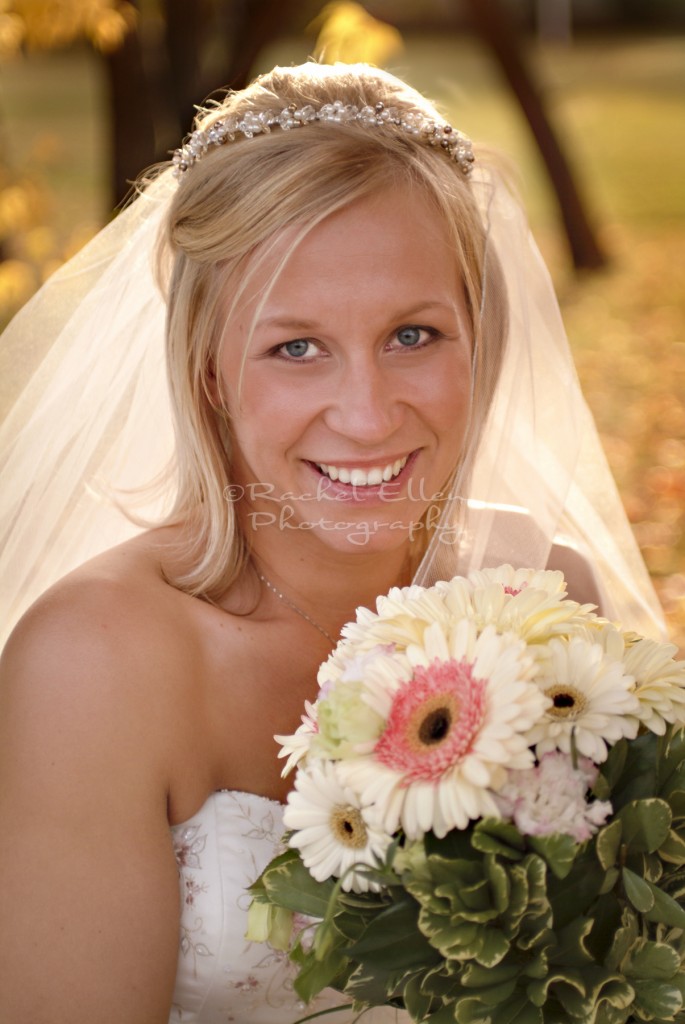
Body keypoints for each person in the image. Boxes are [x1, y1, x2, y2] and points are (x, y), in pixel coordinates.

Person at [0, 61, 666, 1023]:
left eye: (412, 335)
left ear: (482, 335)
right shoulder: (94, 665)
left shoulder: (542, 595)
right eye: (296, 347)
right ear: (210, 373)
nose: (365, 415)